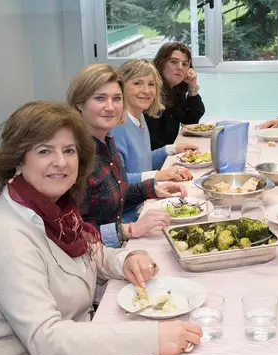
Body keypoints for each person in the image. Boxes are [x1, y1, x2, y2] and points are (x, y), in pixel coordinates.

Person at [0, 101, 203, 355]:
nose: (61, 162)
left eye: (69, 150)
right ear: (18, 160)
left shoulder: (55, 209)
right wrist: (151, 337)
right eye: (44, 151)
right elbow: (46, 339)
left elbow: (90, 255)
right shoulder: (6, 235)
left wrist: (125, 259)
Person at [67, 64, 186, 243]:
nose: (110, 107)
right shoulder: (74, 156)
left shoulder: (106, 141)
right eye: (100, 98)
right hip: (98, 254)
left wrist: (152, 188)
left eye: (116, 98)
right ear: (79, 105)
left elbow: (115, 189)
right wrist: (129, 229)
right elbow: (72, 233)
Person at [112, 59, 196, 185]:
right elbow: (117, 182)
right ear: (121, 87)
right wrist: (159, 174)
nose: (146, 90)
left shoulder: (140, 117)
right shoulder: (116, 126)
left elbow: (142, 162)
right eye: (137, 83)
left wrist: (171, 149)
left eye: (151, 84)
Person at [146, 42, 206, 150]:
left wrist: (192, 87)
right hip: (155, 159)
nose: (180, 67)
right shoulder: (150, 93)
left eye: (185, 64)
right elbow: (152, 143)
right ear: (161, 63)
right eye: (174, 62)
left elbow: (190, 121)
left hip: (168, 153)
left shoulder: (175, 90)